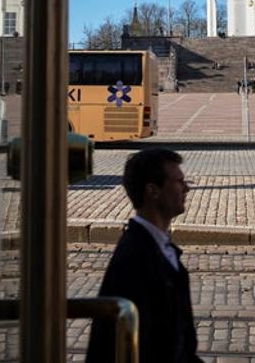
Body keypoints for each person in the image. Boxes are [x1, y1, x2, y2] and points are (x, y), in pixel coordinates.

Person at [86, 148, 200, 363]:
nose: (186, 188)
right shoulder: (135, 257)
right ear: (153, 191)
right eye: (179, 182)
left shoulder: (157, 247)